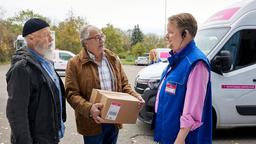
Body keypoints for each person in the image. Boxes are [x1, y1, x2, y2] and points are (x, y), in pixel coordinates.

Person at [65, 25, 145, 144]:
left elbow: (124, 85)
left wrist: (135, 96)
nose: (101, 40)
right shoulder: (74, 63)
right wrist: (89, 108)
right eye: (97, 37)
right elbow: (71, 93)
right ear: (86, 42)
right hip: (92, 122)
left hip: (114, 119)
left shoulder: (113, 58)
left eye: (102, 36)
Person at [154, 13, 212, 144]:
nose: (166, 36)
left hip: (182, 139)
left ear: (185, 34)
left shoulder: (196, 63)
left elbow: (193, 109)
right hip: (168, 134)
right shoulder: (176, 59)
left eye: (170, 32)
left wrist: (180, 139)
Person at [6, 18, 66, 144]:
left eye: (51, 34)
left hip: (50, 137)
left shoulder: (46, 62)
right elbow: (16, 114)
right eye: (46, 35)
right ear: (31, 38)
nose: (51, 39)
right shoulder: (22, 68)